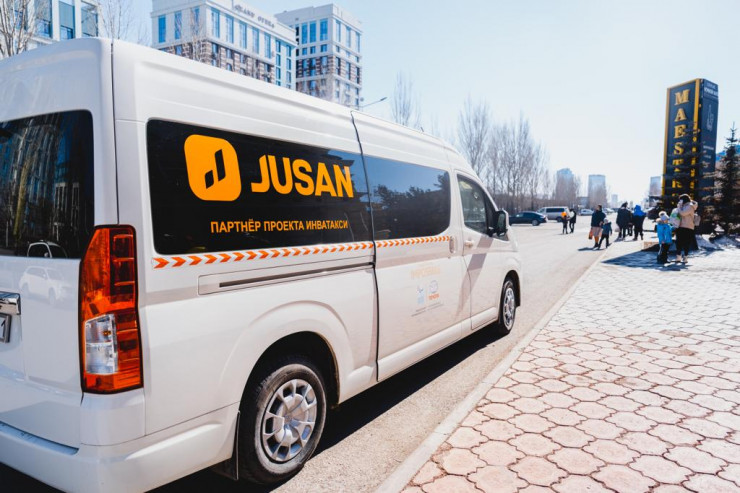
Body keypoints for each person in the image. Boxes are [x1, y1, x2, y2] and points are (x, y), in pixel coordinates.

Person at [674, 194, 698, 263]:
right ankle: (678, 257)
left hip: (688, 227)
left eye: (680, 200)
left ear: (683, 200)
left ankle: (685, 257)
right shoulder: (683, 206)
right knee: (678, 242)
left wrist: (679, 206)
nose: (679, 201)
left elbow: (683, 213)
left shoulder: (690, 206)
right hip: (680, 226)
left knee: (686, 243)